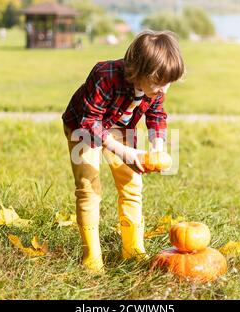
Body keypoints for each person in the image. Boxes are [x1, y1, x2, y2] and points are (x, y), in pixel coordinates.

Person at [62, 30, 185, 272]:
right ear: (139, 71)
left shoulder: (156, 88)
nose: (165, 90)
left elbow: (156, 115)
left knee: (131, 185)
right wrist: (124, 152)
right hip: (83, 125)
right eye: (160, 83)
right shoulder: (104, 75)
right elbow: (90, 122)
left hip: (121, 127)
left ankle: (133, 249)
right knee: (88, 186)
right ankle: (92, 257)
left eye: (169, 83)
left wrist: (157, 147)